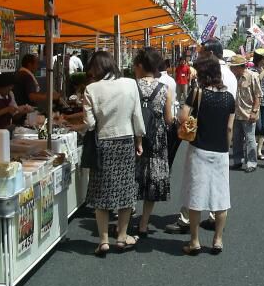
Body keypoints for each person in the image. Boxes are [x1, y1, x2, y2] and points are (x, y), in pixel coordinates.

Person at [165, 39, 237, 235]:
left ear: (211, 53)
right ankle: (215, 225)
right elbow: (230, 119)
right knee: (219, 189)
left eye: (203, 51)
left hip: (201, 141)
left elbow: (184, 116)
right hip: (220, 143)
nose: (201, 54)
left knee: (194, 185)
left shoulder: (202, 84)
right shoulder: (231, 76)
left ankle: (187, 222)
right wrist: (226, 145)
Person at [83, 51, 145, 256]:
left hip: (103, 143)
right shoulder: (130, 83)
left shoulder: (91, 89)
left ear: (97, 68)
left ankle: (103, 241)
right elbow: (137, 115)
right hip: (126, 140)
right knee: (126, 189)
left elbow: (90, 124)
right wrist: (139, 140)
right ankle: (122, 235)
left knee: (101, 191)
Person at [178, 54, 236, 255]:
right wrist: (226, 149)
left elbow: (182, 117)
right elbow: (229, 128)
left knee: (196, 195)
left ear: (203, 74)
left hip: (199, 149)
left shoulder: (197, 92)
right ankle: (218, 240)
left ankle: (194, 241)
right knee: (220, 197)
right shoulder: (229, 97)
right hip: (220, 151)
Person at [134, 48, 174, 237]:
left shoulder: (133, 86)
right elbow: (169, 119)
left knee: (133, 175)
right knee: (152, 178)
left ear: (140, 66)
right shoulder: (165, 89)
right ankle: (143, 223)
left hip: (135, 134)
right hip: (156, 136)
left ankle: (124, 217)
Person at [230, 55, 262, 173]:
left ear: (240, 67)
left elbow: (258, 95)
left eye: (234, 67)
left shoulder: (252, 76)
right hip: (236, 112)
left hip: (248, 113)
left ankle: (252, 163)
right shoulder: (233, 77)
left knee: (250, 139)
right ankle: (238, 161)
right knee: (236, 139)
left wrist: (254, 111)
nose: (232, 69)